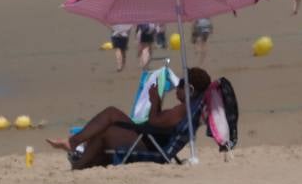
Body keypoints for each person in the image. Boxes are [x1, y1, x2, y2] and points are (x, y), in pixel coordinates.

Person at [46, 68, 211, 170]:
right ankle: (78, 152)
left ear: (190, 89)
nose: (177, 87)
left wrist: (155, 101)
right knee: (110, 118)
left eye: (181, 84)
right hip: (148, 138)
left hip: (148, 144)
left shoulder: (182, 110)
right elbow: (160, 124)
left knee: (108, 125)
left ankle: (77, 156)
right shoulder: (189, 109)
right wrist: (157, 103)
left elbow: (154, 121)